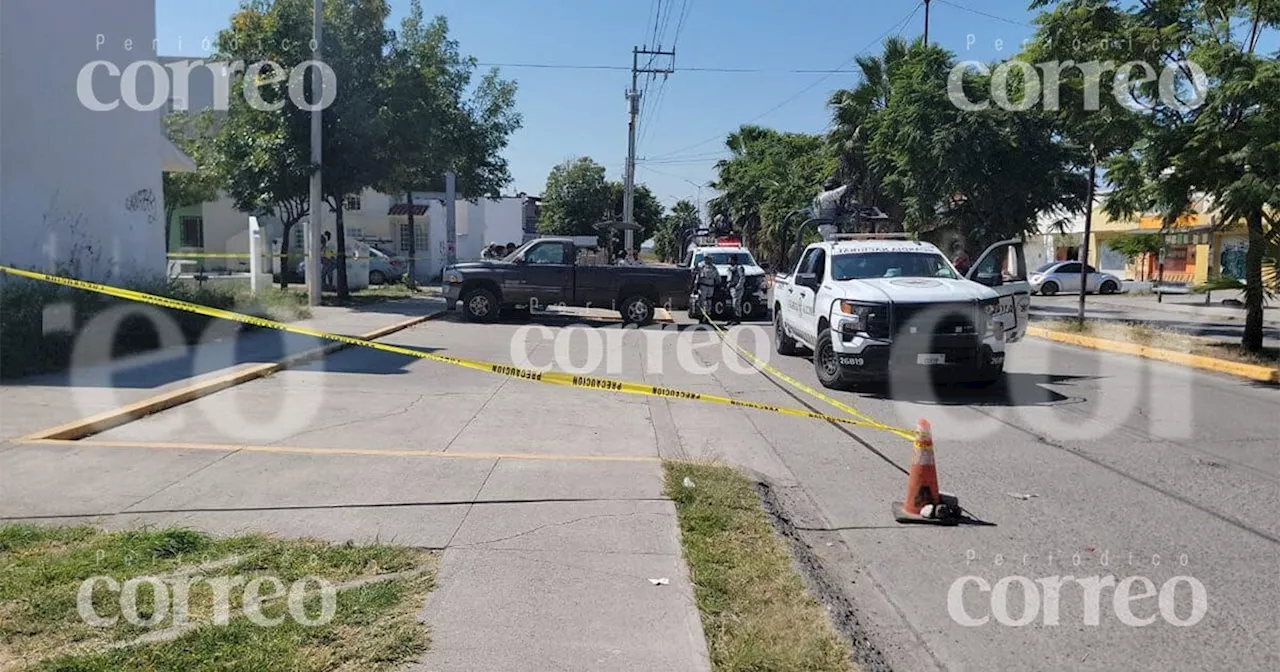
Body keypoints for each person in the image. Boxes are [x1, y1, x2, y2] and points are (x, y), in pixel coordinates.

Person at [695, 255, 719, 321]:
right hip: (703, 286)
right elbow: (697, 276)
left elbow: (717, 277)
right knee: (702, 302)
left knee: (709, 302)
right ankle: (701, 316)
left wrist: (718, 284)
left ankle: (708, 316)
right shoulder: (701, 266)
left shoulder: (713, 267)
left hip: (711, 286)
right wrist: (696, 286)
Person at [727, 254, 746, 326]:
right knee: (732, 304)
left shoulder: (739, 268)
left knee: (736, 304)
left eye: (730, 259)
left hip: (737, 288)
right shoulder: (731, 268)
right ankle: (733, 318)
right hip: (732, 288)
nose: (728, 261)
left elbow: (742, 278)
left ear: (733, 260)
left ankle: (737, 318)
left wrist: (738, 286)